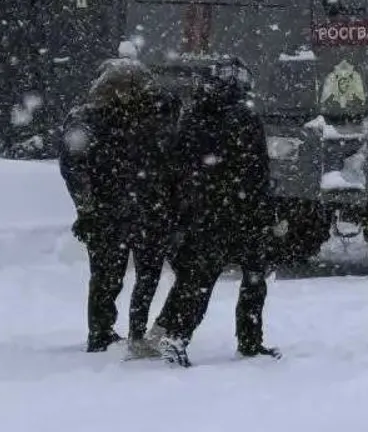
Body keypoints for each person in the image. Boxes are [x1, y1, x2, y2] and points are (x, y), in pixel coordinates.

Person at [150, 55, 283, 367]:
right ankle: (250, 341)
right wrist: (266, 209)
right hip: (243, 209)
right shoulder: (244, 118)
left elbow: (177, 164)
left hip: (204, 210)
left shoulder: (194, 115)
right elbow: (257, 170)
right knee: (253, 277)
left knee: (199, 278)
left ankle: (178, 335)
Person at [57, 58, 181, 354]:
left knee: (106, 277)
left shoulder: (88, 119)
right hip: (148, 208)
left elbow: (74, 168)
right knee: (143, 274)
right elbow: (173, 160)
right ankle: (134, 332)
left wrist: (87, 209)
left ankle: (102, 333)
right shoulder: (158, 114)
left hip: (112, 211)